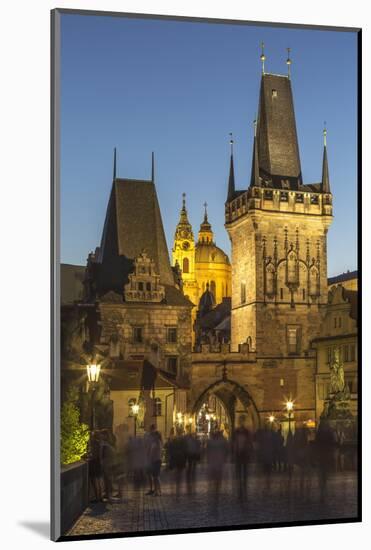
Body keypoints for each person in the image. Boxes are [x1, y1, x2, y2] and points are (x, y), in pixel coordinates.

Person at [233, 415, 253, 499]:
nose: (241, 422)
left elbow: (249, 443)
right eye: (240, 420)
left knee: (244, 473)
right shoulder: (236, 432)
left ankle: (243, 490)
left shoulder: (246, 432)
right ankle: (240, 490)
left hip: (244, 455)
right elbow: (233, 443)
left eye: (242, 420)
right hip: (238, 455)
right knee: (239, 474)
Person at [100, 430, 116, 502]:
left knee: (107, 480)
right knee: (107, 480)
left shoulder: (105, 445)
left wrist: (102, 462)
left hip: (107, 464)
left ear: (105, 435)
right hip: (108, 463)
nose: (101, 436)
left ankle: (108, 495)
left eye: (102, 434)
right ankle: (108, 495)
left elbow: (102, 455)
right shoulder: (108, 444)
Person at [184, 426, 201, 494]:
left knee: (190, 469)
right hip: (192, 456)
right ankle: (191, 481)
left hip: (191, 456)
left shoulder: (191, 441)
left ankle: (190, 481)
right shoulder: (194, 441)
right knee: (191, 469)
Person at [88, 430, 102, 502]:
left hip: (94, 463)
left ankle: (97, 498)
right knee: (98, 481)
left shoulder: (94, 443)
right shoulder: (99, 443)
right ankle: (99, 497)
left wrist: (89, 458)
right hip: (98, 462)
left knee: (94, 481)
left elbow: (94, 454)